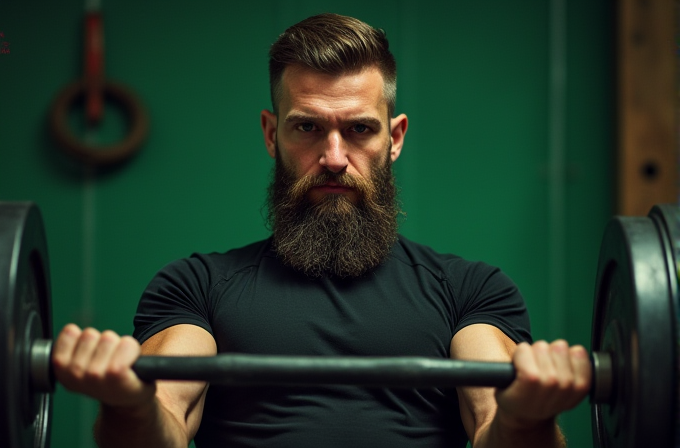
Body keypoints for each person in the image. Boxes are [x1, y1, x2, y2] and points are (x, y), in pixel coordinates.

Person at [52, 13, 591, 448]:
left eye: (359, 129)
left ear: (395, 138)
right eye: (308, 127)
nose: (334, 158)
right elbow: (163, 420)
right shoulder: (195, 288)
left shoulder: (471, 292)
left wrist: (525, 416)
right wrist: (128, 401)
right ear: (271, 133)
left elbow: (493, 422)